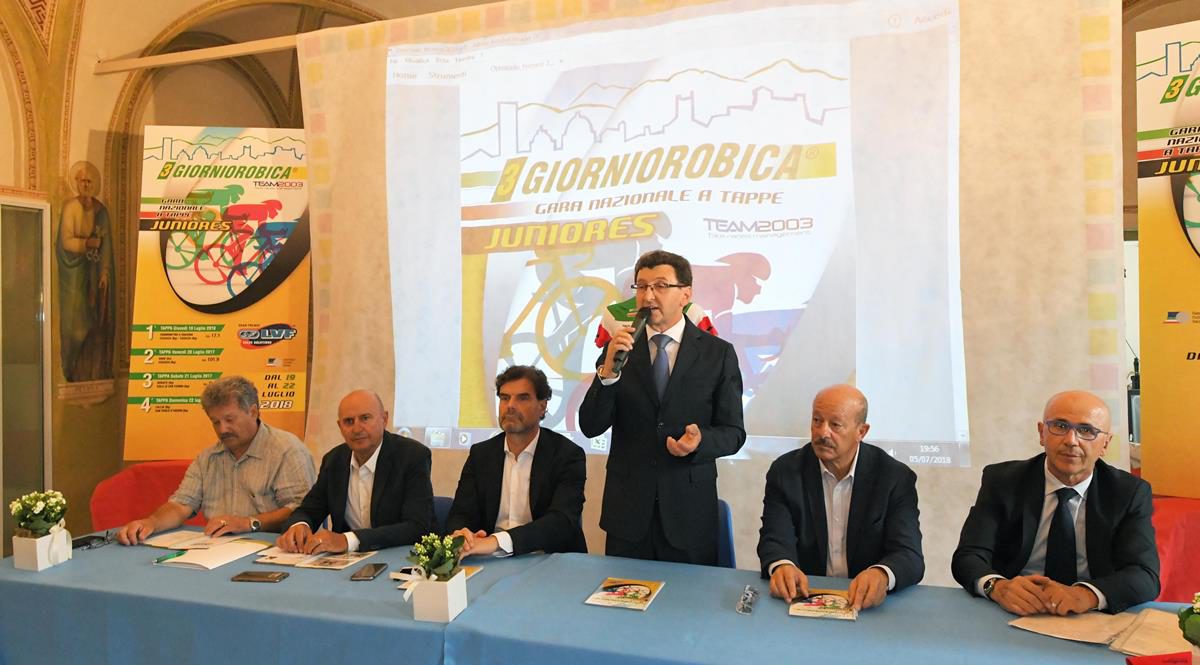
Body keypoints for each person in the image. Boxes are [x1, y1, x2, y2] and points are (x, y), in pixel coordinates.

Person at [579, 250, 746, 565]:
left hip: (689, 513)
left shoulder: (717, 354)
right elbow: (590, 425)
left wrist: (701, 441)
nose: (648, 296)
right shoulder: (619, 349)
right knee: (622, 594)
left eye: (660, 286)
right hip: (628, 515)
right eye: (641, 286)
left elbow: (734, 432)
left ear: (685, 294)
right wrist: (608, 373)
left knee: (689, 596)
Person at [952, 390, 1160, 615]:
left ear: (1105, 444)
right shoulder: (1003, 481)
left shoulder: (1128, 492)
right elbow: (969, 555)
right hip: (1016, 608)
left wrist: (1085, 595)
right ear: (1042, 433)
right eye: (1060, 426)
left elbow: (1144, 575)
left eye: (1086, 431)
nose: (1071, 441)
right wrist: (998, 587)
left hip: (1089, 614)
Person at [757, 384, 924, 611]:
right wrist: (782, 565)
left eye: (835, 425)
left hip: (867, 606)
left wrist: (882, 574)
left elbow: (909, 554)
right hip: (804, 598)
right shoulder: (786, 471)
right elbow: (775, 539)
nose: (823, 433)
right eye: (817, 421)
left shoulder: (894, 477)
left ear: (861, 431)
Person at [116, 376, 316, 544]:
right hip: (217, 548)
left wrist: (249, 523)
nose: (222, 429)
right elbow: (181, 505)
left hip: (274, 546)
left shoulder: (286, 450)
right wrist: (151, 523)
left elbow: (301, 510)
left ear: (253, 412)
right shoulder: (208, 458)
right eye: (215, 422)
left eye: (230, 420)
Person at [446, 365, 587, 557]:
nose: (510, 406)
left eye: (522, 398)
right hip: (489, 559)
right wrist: (462, 534)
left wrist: (497, 541)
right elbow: (460, 513)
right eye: (504, 398)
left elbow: (561, 522)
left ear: (542, 406)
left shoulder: (566, 455)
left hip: (547, 558)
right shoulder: (481, 454)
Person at [277, 389, 433, 553]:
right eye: (349, 421)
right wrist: (300, 525)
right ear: (340, 426)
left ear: (384, 419)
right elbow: (309, 509)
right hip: (346, 561)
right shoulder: (334, 460)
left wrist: (348, 540)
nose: (357, 429)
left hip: (399, 557)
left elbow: (417, 527)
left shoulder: (412, 456)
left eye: (365, 418)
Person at [57, 162, 115, 382]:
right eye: (82, 181)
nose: (86, 185)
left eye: (90, 181)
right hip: (75, 274)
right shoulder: (70, 207)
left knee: (96, 320)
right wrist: (88, 243)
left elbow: (106, 246)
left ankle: (95, 370)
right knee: (76, 321)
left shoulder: (101, 211)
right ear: (77, 183)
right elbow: (65, 242)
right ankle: (72, 368)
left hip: (95, 272)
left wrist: (104, 272)